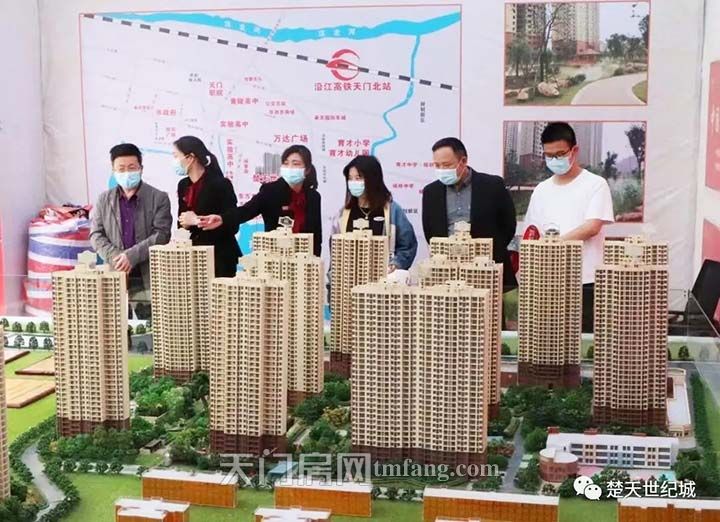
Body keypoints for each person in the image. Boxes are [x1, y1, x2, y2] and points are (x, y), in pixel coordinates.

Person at [522, 122, 615, 332]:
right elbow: (533, 233)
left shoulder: (595, 184)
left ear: (574, 150)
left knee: (584, 341)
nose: (554, 160)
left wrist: (553, 244)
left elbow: (592, 227)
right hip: (549, 282)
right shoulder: (541, 190)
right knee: (549, 340)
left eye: (560, 154)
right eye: (549, 155)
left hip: (586, 280)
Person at [422, 137, 518, 289]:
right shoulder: (431, 192)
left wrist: (488, 251)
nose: (441, 170)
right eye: (437, 165)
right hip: (447, 272)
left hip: (488, 268)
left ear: (463, 161)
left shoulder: (492, 185)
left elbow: (508, 225)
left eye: (446, 165)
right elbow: (430, 231)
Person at [198, 144, 322, 256]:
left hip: (305, 261)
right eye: (286, 163)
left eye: (296, 164)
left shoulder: (313, 197)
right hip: (276, 258)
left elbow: (317, 236)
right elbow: (246, 210)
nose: (290, 168)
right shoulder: (271, 191)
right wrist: (223, 218)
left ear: (307, 170)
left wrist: (315, 261)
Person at [90, 143, 172, 300]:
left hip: (148, 274)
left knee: (149, 315)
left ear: (141, 168)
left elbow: (162, 235)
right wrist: (118, 258)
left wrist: (132, 256)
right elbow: (96, 235)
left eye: (131, 167)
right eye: (121, 169)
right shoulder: (103, 200)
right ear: (114, 171)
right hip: (115, 273)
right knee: (115, 314)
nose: (126, 173)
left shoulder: (159, 198)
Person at [334, 155, 417, 270]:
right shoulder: (343, 213)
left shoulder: (393, 211)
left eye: (358, 178)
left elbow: (407, 246)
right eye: (350, 178)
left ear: (372, 179)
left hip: (383, 277)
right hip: (351, 275)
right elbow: (335, 252)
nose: (353, 183)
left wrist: (395, 264)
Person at [174, 135, 240, 277]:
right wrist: (185, 224)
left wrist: (197, 220)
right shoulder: (183, 185)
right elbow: (181, 221)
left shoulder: (221, 184)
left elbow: (232, 224)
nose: (175, 161)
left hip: (220, 258)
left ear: (190, 158)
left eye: (176, 156)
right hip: (193, 258)